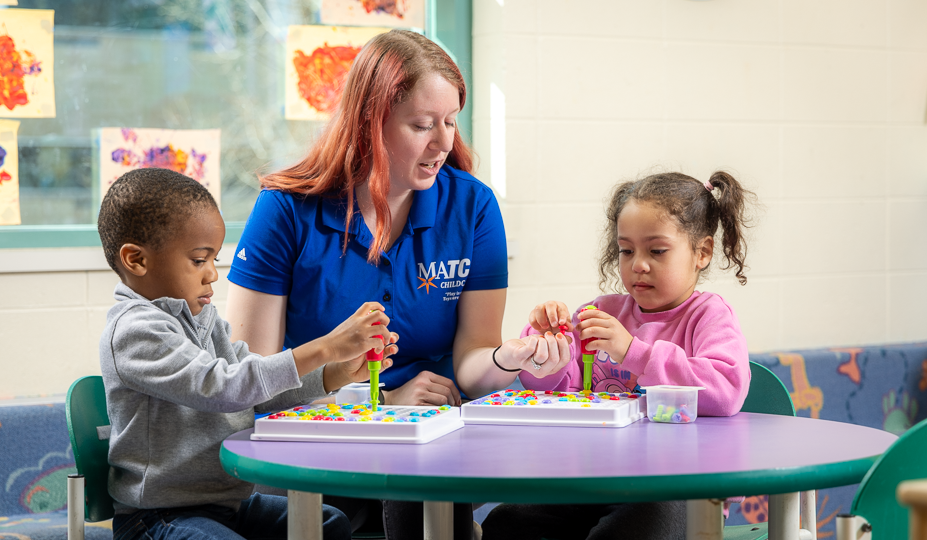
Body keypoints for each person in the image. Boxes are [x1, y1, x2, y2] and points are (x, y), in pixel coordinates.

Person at [225, 29, 513, 539]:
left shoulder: (474, 207)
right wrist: (379, 406)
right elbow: (250, 383)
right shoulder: (285, 209)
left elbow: (474, 362)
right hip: (312, 446)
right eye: (423, 125)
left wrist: (518, 360)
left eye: (450, 121)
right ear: (370, 123)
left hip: (431, 447)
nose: (444, 142)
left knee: (427, 500)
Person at [97, 167, 398, 540]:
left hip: (226, 505)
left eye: (214, 260)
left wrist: (333, 372)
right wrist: (323, 347)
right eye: (198, 260)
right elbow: (222, 387)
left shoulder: (203, 320)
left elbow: (254, 380)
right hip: (158, 516)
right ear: (137, 260)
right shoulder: (135, 331)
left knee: (328, 522)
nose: (212, 275)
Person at [481, 170, 756, 540]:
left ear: (702, 252)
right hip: (598, 482)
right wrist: (543, 348)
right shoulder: (602, 312)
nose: (638, 264)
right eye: (627, 251)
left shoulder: (708, 315)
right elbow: (560, 389)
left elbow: (725, 390)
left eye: (657, 251)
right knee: (506, 523)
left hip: (684, 490)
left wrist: (633, 353)